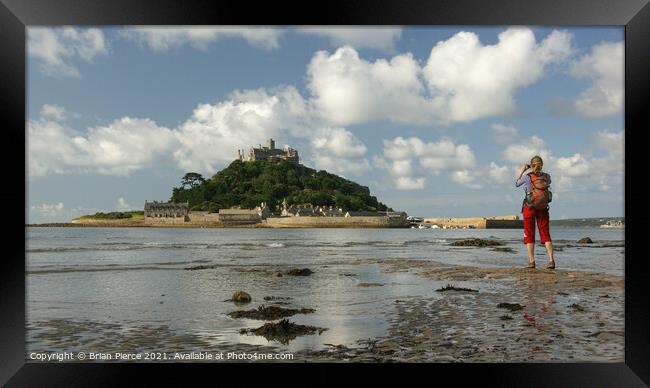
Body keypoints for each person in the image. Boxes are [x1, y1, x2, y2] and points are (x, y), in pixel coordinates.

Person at [515, 155, 556, 269]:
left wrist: (523, 170)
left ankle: (532, 261)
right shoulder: (547, 176)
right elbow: (548, 184)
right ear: (541, 165)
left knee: (529, 234)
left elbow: (517, 183)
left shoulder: (527, 177)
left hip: (530, 207)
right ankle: (551, 260)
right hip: (543, 208)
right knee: (545, 234)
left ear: (531, 165)